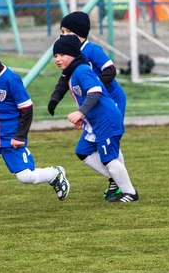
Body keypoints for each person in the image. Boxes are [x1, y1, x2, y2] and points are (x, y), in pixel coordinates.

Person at [0, 38, 71, 224]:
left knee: (26, 177)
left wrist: (20, 135)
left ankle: (54, 174)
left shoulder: (11, 79)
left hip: (11, 138)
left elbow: (26, 108)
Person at [47, 11, 128, 201]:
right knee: (99, 142)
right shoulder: (70, 53)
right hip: (94, 102)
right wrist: (55, 99)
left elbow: (110, 70)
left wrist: (95, 85)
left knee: (108, 140)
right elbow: (64, 78)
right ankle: (117, 179)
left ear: (80, 32)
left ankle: (121, 184)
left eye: (67, 31)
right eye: (62, 31)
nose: (63, 35)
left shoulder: (91, 50)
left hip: (111, 100)